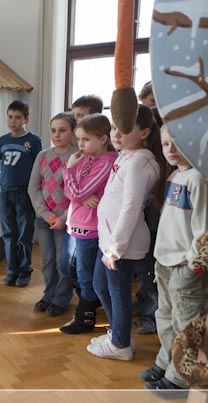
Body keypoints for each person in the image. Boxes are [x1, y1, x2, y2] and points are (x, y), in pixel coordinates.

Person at [87, 105, 163, 361]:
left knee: (118, 292)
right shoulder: (126, 156)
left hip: (122, 244)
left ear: (144, 132)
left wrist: (115, 249)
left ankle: (120, 344)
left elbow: (130, 207)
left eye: (125, 129)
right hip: (109, 239)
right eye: (114, 127)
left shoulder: (139, 162)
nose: (116, 134)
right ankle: (119, 334)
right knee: (100, 285)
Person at [140, 127, 208, 396]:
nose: (171, 150)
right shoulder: (174, 176)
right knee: (165, 317)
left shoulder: (198, 179)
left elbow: (203, 228)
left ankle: (180, 378)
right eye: (166, 144)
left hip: (185, 266)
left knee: (186, 324)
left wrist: (193, 263)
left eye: (177, 143)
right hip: (165, 261)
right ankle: (166, 361)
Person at [59, 114, 117, 334]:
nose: (80, 144)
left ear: (103, 139)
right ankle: (90, 301)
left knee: (85, 274)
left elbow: (75, 189)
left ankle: (85, 316)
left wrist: (69, 172)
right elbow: (69, 190)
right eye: (79, 139)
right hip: (76, 223)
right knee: (71, 268)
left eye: (85, 139)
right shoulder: (85, 158)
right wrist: (81, 195)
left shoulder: (106, 161)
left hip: (90, 227)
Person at [28, 112, 78, 316]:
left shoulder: (78, 156)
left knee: (62, 261)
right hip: (44, 218)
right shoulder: (42, 155)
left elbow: (79, 194)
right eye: (53, 130)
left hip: (66, 219)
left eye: (62, 130)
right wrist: (45, 213)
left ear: (73, 131)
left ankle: (61, 298)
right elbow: (33, 188)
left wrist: (63, 218)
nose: (57, 135)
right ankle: (48, 295)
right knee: (47, 259)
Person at [0, 100, 42, 287]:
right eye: (10, 117)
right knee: (9, 235)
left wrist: (36, 194)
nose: (12, 121)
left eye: (17, 117)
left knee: (24, 235)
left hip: (24, 194)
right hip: (5, 192)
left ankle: (24, 270)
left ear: (26, 119)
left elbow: (38, 168)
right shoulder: (2, 140)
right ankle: (11, 270)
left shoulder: (34, 141)